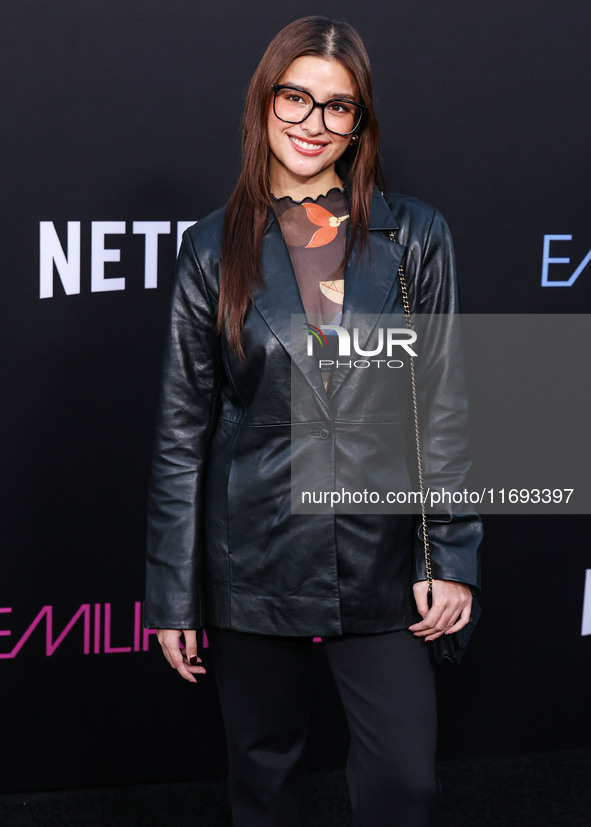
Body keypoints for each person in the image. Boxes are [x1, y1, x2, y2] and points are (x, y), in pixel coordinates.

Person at [145, 15, 482, 827]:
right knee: (263, 784)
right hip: (253, 554)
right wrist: (172, 596)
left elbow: (444, 403)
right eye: (295, 97)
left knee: (406, 783)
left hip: (381, 554)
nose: (312, 123)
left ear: (359, 123)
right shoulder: (209, 249)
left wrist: (454, 553)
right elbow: (181, 435)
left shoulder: (416, 236)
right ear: (265, 103)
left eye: (338, 107)